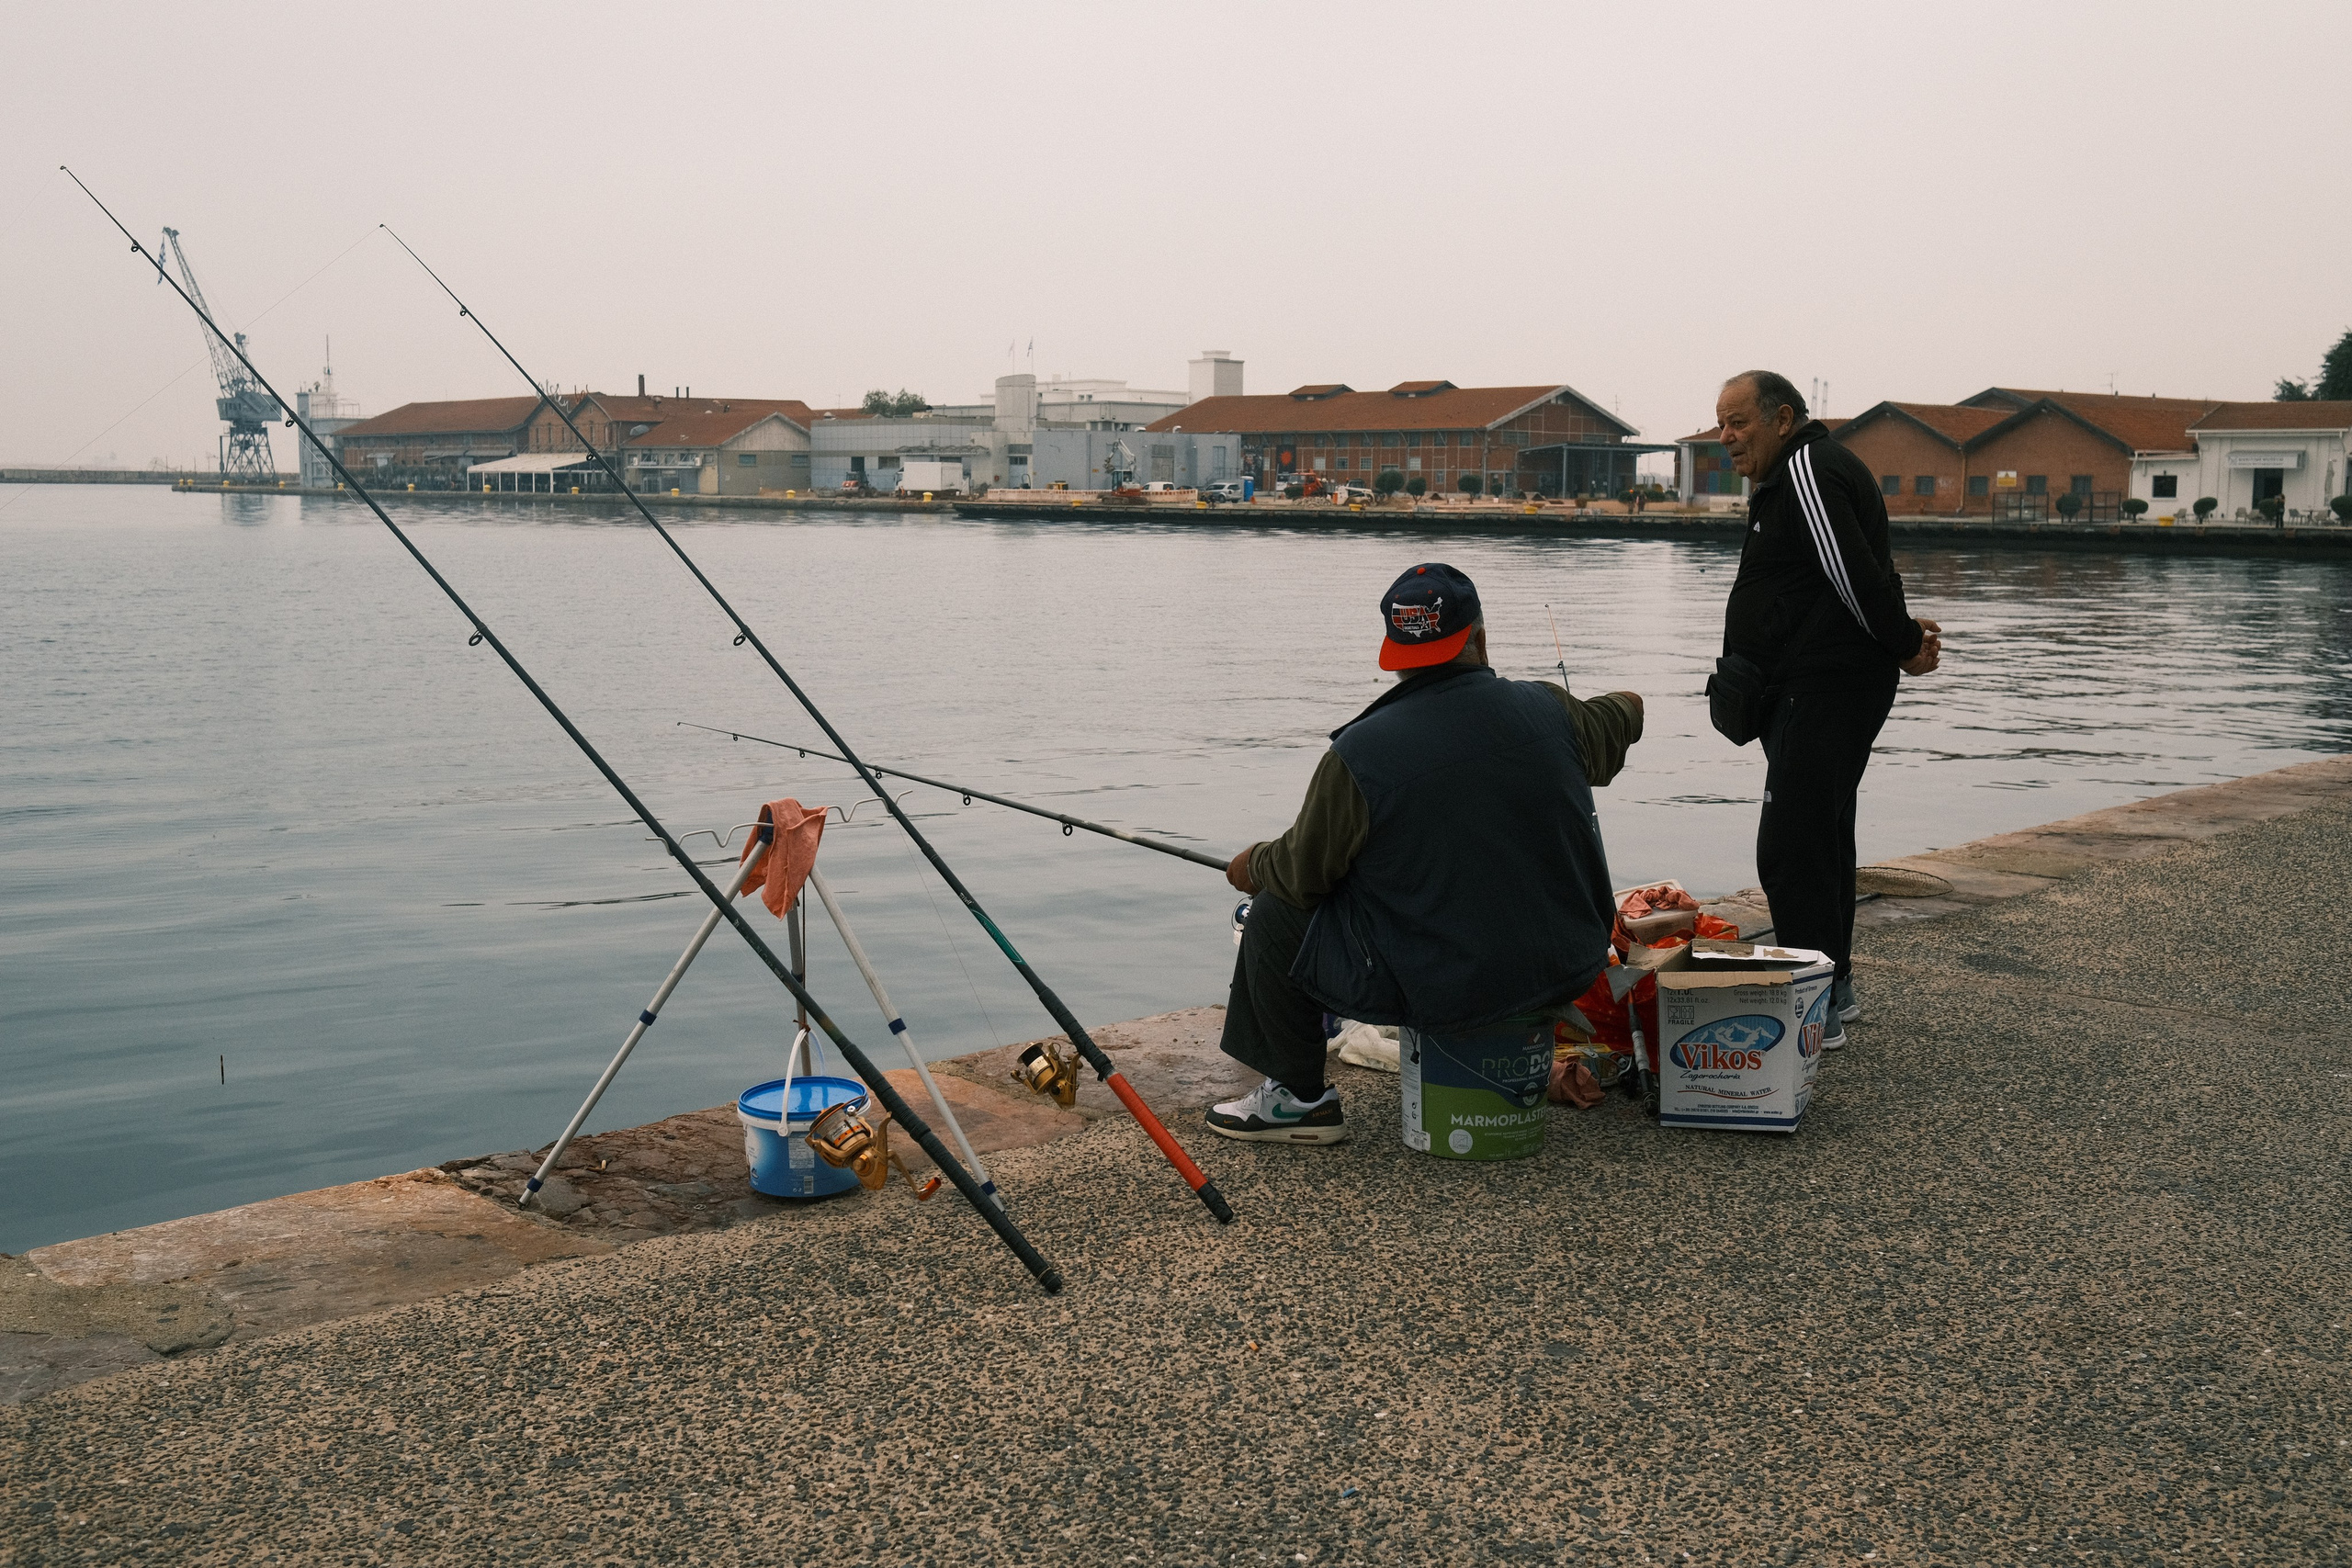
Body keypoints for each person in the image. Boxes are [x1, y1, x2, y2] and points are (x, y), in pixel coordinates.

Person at [1207, 563, 1645, 1144]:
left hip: (1454, 985)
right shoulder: (1552, 710)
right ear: (1480, 639)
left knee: (1272, 913)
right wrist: (1626, 704)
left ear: (1396, 656)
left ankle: (1297, 1100)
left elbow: (1301, 873)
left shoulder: (1361, 752)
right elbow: (1624, 713)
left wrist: (1251, 865)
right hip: (1568, 964)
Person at [1713, 371, 1943, 1046]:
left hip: (1824, 691)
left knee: (1791, 848)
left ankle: (1812, 1012)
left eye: (1738, 422)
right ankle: (1832, 987)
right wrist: (1898, 634)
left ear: (1783, 418)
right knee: (1822, 838)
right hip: (1812, 688)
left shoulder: (1807, 466)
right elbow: (1838, 577)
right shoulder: (1793, 475)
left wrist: (1903, 643)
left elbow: (1853, 571)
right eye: (1721, 423)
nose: (1725, 436)